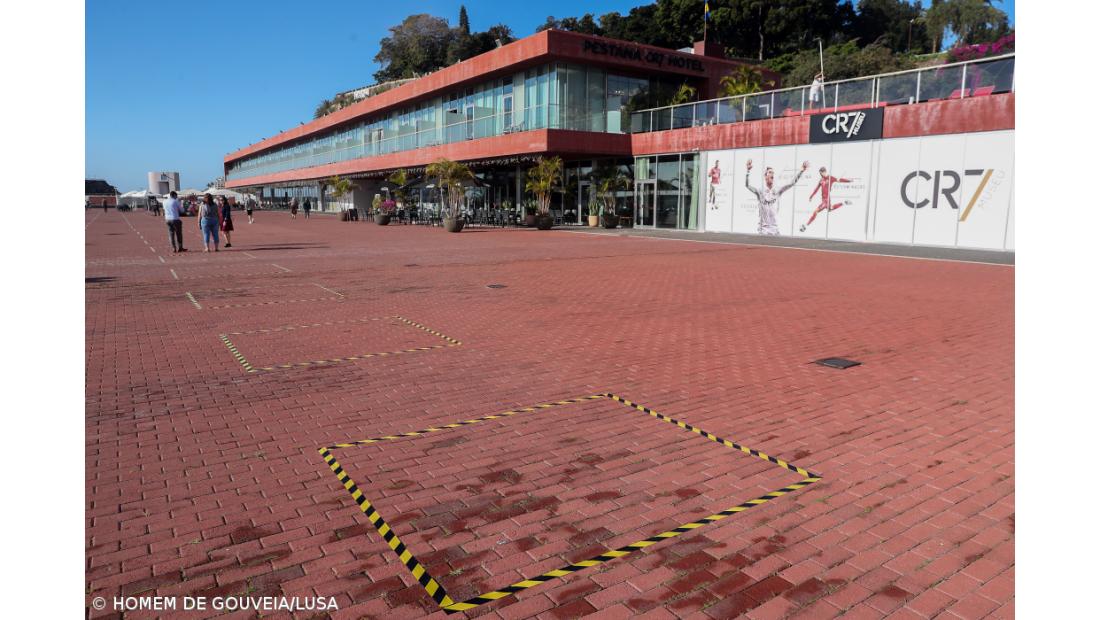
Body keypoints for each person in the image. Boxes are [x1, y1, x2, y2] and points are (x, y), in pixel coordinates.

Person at [745, 159, 808, 235]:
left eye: (773, 173)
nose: (772, 174)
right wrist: (748, 171)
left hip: (775, 229)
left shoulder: (777, 190)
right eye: (770, 172)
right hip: (763, 229)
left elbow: (792, 183)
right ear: (765, 176)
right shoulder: (760, 191)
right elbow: (747, 185)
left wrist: (801, 171)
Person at [800, 167, 853, 233]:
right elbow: (816, 189)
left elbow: (839, 180)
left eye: (822, 173)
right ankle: (844, 203)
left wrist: (848, 181)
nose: (821, 174)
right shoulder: (821, 180)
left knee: (816, 211)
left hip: (826, 200)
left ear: (825, 172)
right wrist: (811, 196)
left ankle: (805, 225)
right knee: (830, 209)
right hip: (823, 199)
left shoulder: (830, 178)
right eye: (820, 173)